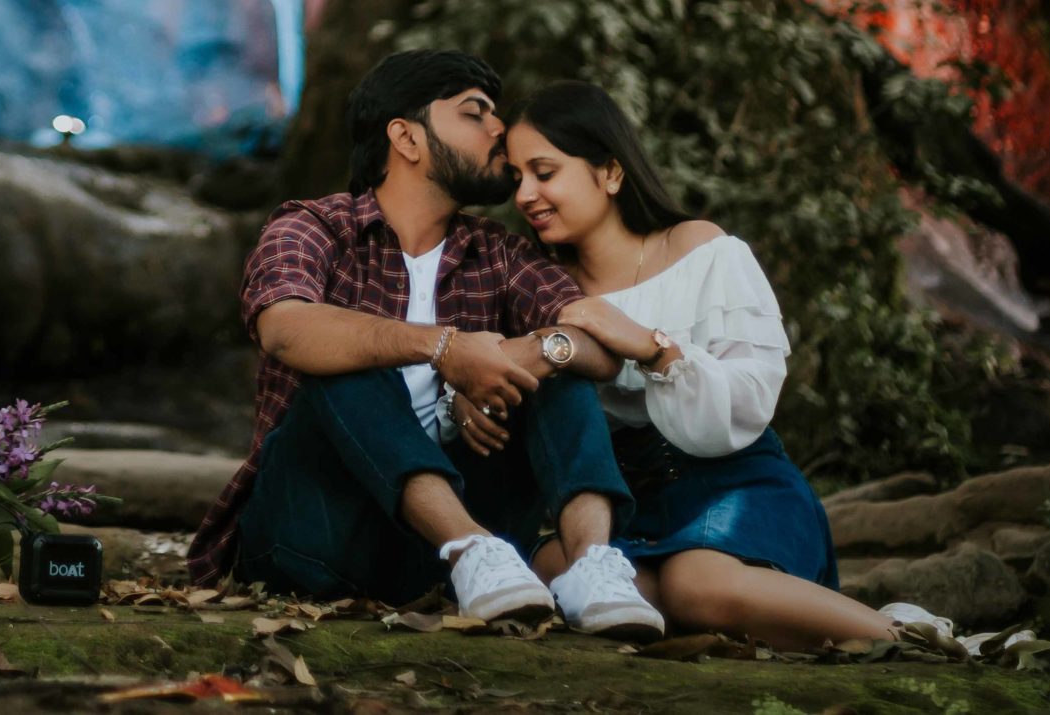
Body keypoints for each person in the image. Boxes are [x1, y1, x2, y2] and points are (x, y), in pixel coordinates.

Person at [187, 49, 668, 633]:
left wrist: (528, 353)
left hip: (456, 561)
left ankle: (592, 567)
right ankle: (467, 548)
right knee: (347, 351)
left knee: (556, 367)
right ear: (406, 138)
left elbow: (593, 340)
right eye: (476, 113)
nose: (501, 130)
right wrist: (444, 348)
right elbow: (286, 328)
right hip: (314, 534)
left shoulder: (499, 251)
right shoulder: (313, 227)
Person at [482, 80, 937, 650]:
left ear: (611, 173)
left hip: (734, 482)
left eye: (544, 172)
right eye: (516, 178)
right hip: (622, 509)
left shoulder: (700, 249)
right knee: (553, 572)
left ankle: (911, 637)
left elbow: (751, 397)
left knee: (696, 584)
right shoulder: (539, 286)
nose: (525, 194)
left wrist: (652, 347)